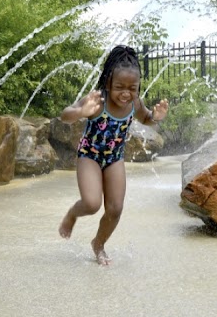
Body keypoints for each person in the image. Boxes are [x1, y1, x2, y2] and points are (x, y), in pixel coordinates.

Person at [58, 45, 169, 265]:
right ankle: (72, 213)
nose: (126, 93)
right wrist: (80, 112)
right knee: (91, 204)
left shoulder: (134, 104)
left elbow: (146, 118)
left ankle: (98, 245)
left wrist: (155, 117)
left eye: (132, 88)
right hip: (89, 155)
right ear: (108, 82)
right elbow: (65, 115)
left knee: (115, 209)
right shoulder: (98, 100)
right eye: (119, 87)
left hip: (114, 159)